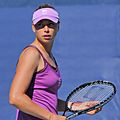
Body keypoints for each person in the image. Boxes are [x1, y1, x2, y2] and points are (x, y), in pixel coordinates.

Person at [9, 4, 101, 120]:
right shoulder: (32, 54)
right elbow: (15, 97)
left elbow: (46, 100)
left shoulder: (49, 56)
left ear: (58, 27)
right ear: (33, 28)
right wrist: (51, 117)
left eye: (51, 24)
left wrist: (76, 106)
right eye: (40, 25)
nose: (46, 29)